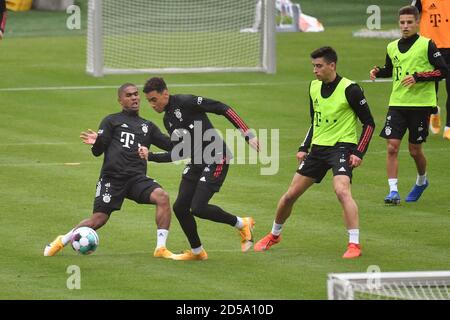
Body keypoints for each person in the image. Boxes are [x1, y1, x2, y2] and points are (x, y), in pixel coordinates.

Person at [254, 46, 375, 259]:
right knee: (290, 196)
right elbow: (315, 121)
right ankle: (274, 235)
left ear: (332, 65)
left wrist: (359, 152)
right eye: (313, 66)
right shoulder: (313, 87)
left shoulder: (351, 89)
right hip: (318, 149)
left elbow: (369, 123)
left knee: (342, 191)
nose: (315, 70)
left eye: (319, 66)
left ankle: (354, 244)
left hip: (342, 147)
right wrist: (304, 147)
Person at [44, 83, 175, 259]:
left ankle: (160, 248)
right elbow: (97, 152)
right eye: (129, 95)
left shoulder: (147, 126)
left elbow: (171, 145)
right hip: (112, 179)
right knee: (98, 219)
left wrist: (187, 134)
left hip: (136, 179)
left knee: (162, 197)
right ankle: (63, 239)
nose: (134, 98)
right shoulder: (111, 121)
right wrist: (98, 141)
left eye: (136, 94)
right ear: (120, 100)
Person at [141, 77, 260, 261]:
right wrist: (151, 156)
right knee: (180, 207)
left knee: (198, 207)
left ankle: (241, 223)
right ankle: (197, 252)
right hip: (197, 161)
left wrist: (247, 133)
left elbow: (222, 107)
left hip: (217, 157)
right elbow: (180, 152)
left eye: (154, 100)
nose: (152, 105)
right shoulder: (168, 120)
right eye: (149, 101)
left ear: (165, 93)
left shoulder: (186, 102)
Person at [370, 5, 448, 205]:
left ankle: (422, 180)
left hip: (421, 105)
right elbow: (391, 69)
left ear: (417, 23)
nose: (405, 26)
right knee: (392, 147)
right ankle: (393, 191)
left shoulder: (427, 45)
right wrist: (378, 71)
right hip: (397, 104)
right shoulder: (392, 46)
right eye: (402, 23)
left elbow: (443, 71)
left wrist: (418, 77)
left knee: (414, 150)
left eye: (409, 23)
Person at [412, 0, 450, 139]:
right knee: (430, 89)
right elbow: (411, 14)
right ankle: (434, 111)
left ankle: (449, 127)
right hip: (430, 49)